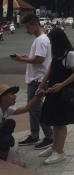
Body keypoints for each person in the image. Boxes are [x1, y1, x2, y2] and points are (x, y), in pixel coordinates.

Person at [36, 28, 74, 164]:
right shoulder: (57, 53)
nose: (50, 43)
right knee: (55, 121)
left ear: (58, 40)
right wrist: (41, 86)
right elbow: (50, 71)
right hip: (53, 92)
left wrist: (61, 85)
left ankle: (59, 152)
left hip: (64, 94)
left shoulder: (70, 54)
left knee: (60, 122)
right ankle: (55, 146)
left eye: (52, 40)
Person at [11, 13, 53, 150]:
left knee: (35, 109)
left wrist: (21, 59)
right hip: (37, 78)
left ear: (34, 24)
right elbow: (38, 58)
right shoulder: (41, 39)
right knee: (34, 109)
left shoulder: (41, 40)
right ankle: (35, 134)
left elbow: (39, 60)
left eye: (27, 27)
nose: (26, 30)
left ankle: (49, 136)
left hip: (38, 79)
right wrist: (27, 57)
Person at [0, 84, 40, 163]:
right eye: (11, 94)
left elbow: (25, 109)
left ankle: (3, 149)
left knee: (10, 123)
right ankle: (2, 154)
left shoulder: (6, 109)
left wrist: (37, 96)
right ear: (3, 97)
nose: (15, 96)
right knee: (7, 139)